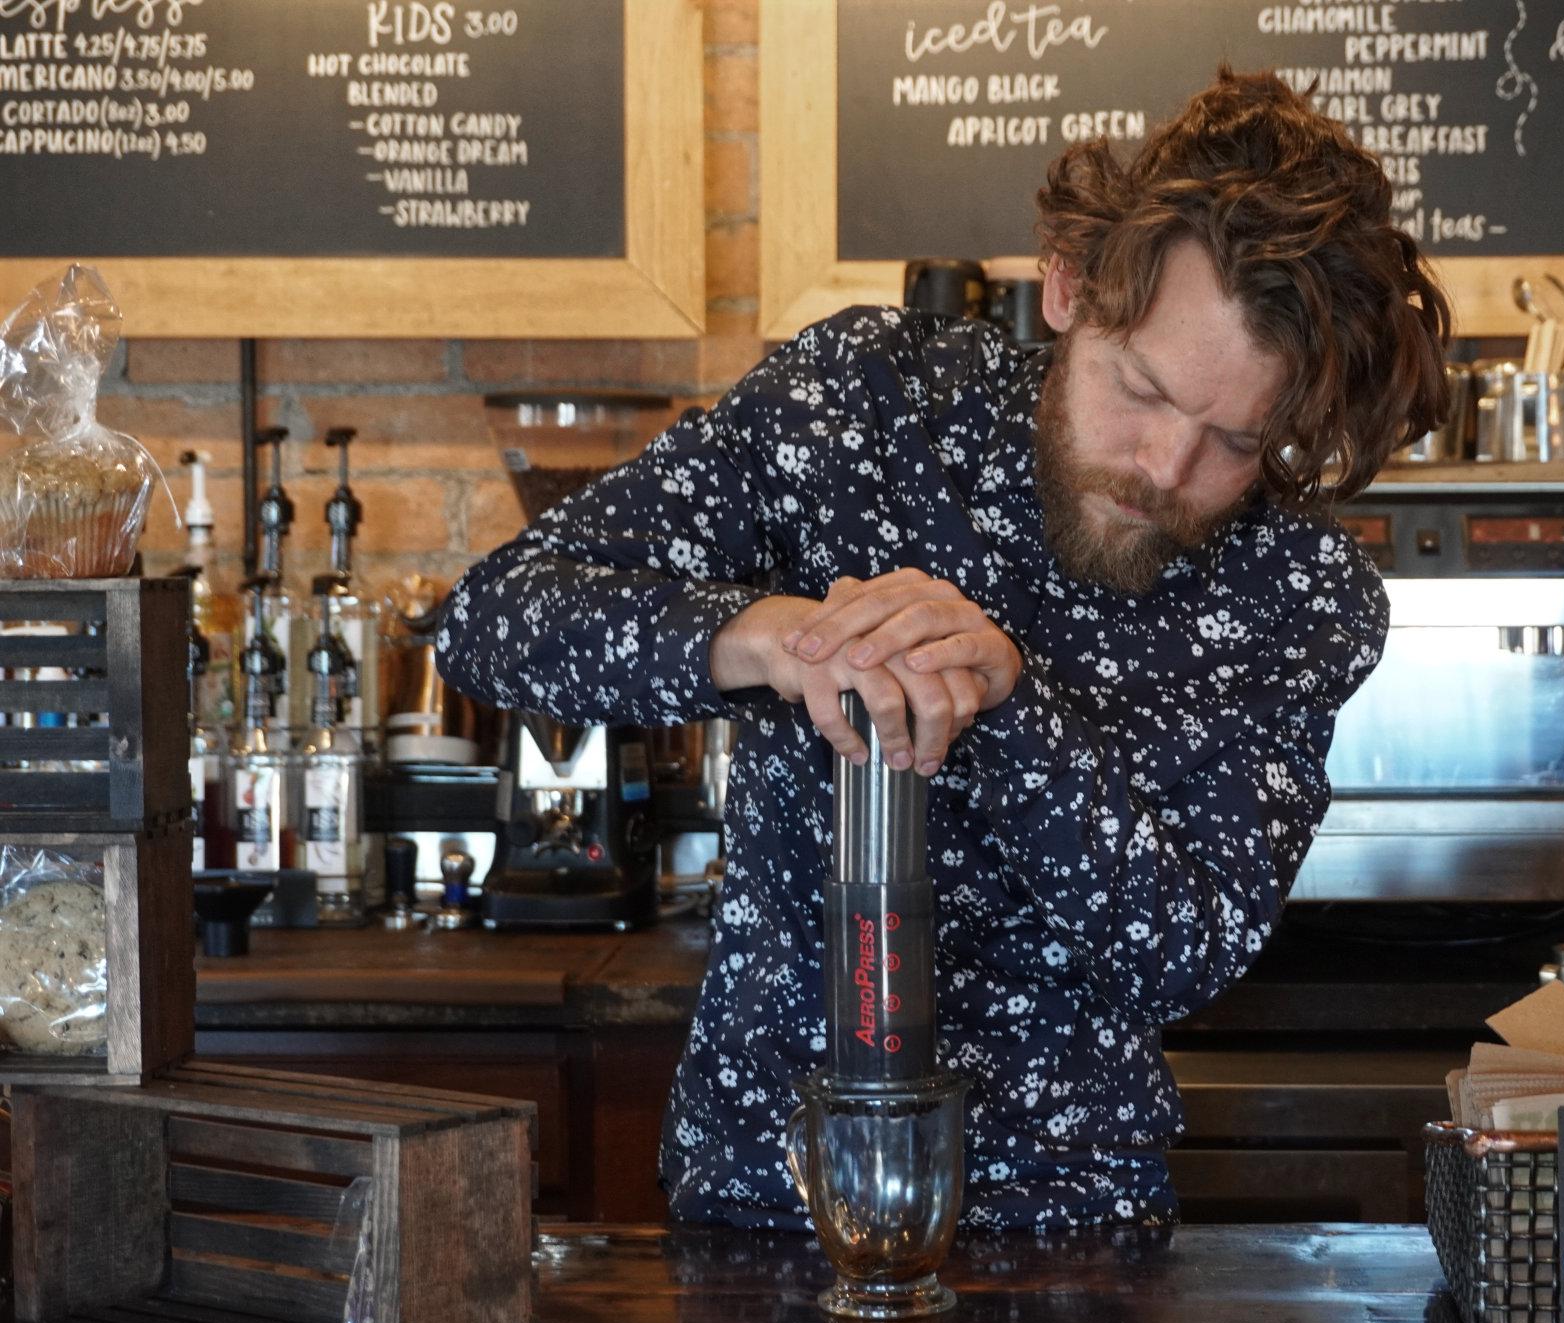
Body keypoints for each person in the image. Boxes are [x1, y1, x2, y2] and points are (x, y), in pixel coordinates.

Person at [437, 68, 1451, 1230]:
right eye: (1140, 390)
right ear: (1070, 285)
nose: (1165, 470)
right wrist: (764, 634)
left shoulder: (1296, 591)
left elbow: (1184, 947)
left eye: (1233, 439)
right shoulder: (861, 403)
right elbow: (495, 618)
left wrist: (1006, 703)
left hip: (1065, 1224)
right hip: (767, 1197)